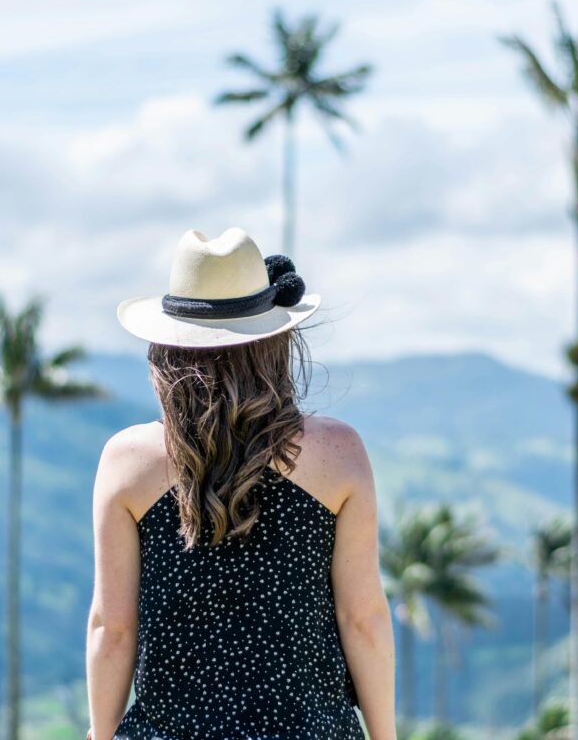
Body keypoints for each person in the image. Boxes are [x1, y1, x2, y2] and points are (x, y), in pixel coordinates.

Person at [85, 227, 397, 740]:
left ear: (167, 349)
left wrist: (100, 734)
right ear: (275, 343)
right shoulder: (339, 455)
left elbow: (112, 630)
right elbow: (362, 618)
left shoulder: (127, 462)